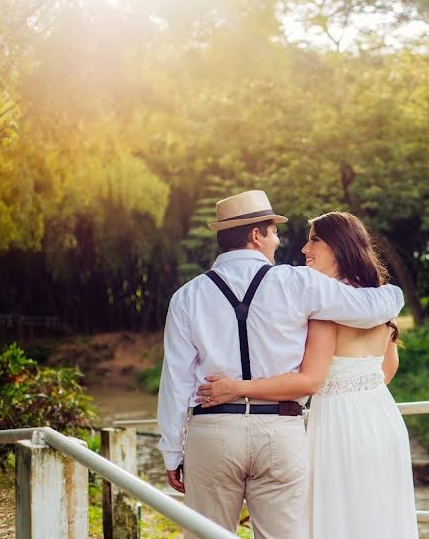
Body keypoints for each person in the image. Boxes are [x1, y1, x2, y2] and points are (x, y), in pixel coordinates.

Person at [157, 191, 405, 539]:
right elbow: (370, 307)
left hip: (213, 432)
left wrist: (172, 452)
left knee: (206, 535)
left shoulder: (186, 296)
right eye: (274, 232)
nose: (281, 241)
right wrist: (395, 296)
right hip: (280, 430)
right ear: (257, 235)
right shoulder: (297, 283)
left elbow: (175, 383)